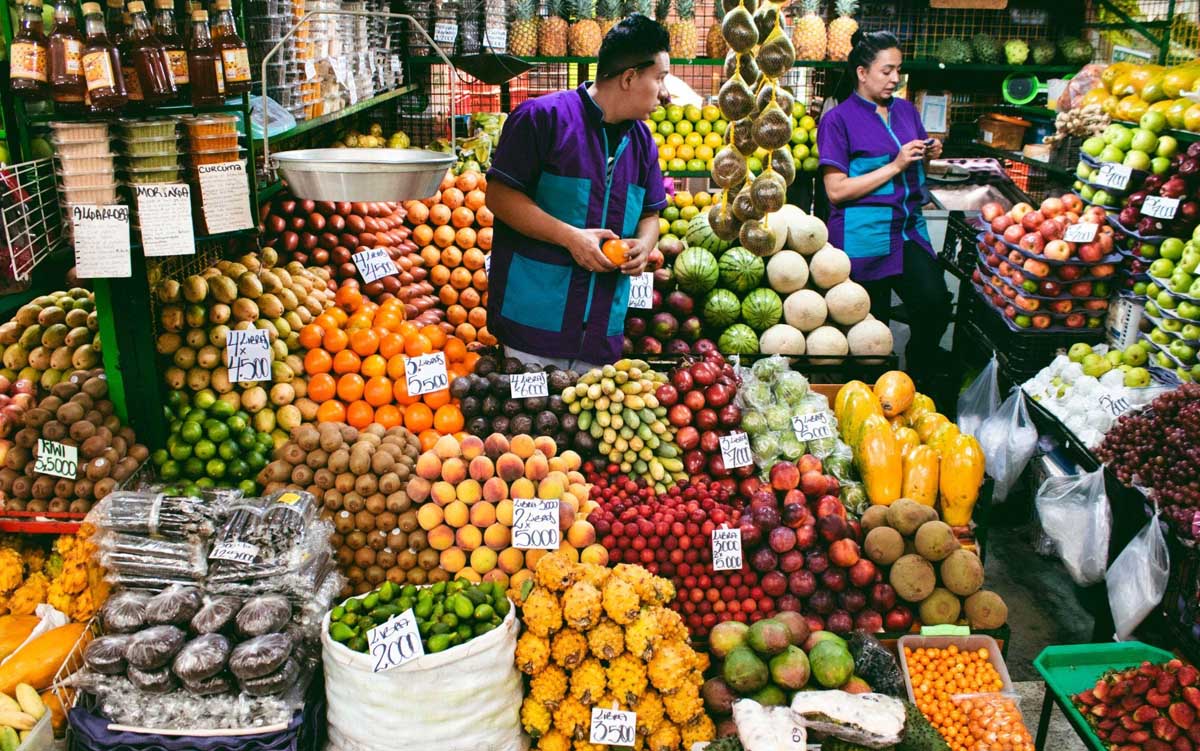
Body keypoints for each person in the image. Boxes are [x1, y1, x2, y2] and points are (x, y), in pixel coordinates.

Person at [484, 14, 671, 371]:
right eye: (660, 78)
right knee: (530, 409)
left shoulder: (642, 142)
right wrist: (570, 238)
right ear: (629, 78)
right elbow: (499, 197)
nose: (666, 93)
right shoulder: (542, 118)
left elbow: (650, 213)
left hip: (602, 332)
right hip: (533, 326)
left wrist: (645, 246)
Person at [817, 30, 951, 390]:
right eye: (886, 71)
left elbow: (915, 166)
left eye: (898, 70)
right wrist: (895, 165)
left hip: (907, 230)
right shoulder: (838, 120)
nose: (895, 78)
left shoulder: (906, 111)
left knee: (935, 304)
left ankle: (915, 380)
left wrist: (929, 155)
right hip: (863, 236)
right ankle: (868, 396)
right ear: (862, 73)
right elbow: (836, 191)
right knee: (869, 335)